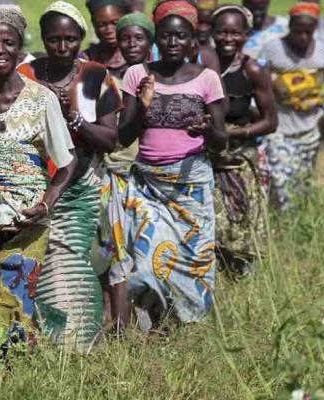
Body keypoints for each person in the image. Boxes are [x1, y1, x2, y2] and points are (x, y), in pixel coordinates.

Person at [0, 5, 77, 366]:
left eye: (8, 43)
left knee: (16, 301)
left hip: (27, 224)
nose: (0, 50)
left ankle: (12, 374)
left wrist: (46, 205)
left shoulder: (40, 98)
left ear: (20, 49)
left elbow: (66, 163)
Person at [112, 0, 227, 326]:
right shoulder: (138, 75)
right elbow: (124, 135)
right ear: (156, 40)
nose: (173, 43)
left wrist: (207, 130)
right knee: (147, 257)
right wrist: (143, 106)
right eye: (166, 36)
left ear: (193, 41)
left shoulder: (206, 78)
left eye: (180, 37)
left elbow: (222, 140)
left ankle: (189, 322)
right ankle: (154, 323)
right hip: (148, 182)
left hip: (191, 181)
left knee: (193, 256)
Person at [17, 1, 122, 350]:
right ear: (43, 39)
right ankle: (41, 338)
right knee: (39, 260)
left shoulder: (95, 77)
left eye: (70, 39)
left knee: (75, 261)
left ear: (81, 38)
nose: (62, 47)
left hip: (82, 183)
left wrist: (74, 119)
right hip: (33, 182)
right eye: (54, 39)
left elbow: (110, 139)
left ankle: (77, 344)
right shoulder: (25, 75)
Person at [91, 11, 154, 331]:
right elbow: (119, 133)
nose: (129, 44)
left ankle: (139, 318)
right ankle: (117, 322)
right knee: (113, 246)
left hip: (148, 172)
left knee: (141, 246)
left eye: (138, 38)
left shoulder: (157, 76)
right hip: (113, 167)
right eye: (124, 36)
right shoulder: (100, 74)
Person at [210, 4, 278, 278]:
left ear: (246, 34)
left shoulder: (253, 70)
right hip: (208, 156)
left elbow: (270, 121)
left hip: (241, 157)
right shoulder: (202, 66)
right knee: (213, 222)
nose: (228, 38)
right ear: (212, 33)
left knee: (241, 220)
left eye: (235, 33)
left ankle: (240, 276)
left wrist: (233, 133)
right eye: (222, 32)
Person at [258, 2, 324, 210]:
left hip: (311, 129)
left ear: (315, 29)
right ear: (290, 27)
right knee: (281, 180)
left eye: (308, 32)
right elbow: (261, 86)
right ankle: (284, 221)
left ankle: (299, 221)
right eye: (298, 31)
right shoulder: (272, 50)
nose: (303, 37)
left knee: (303, 181)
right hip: (279, 129)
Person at [82, 0, 131, 76]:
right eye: (102, 25)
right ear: (94, 25)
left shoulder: (140, 56)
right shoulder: (84, 60)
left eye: (115, 23)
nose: (109, 30)